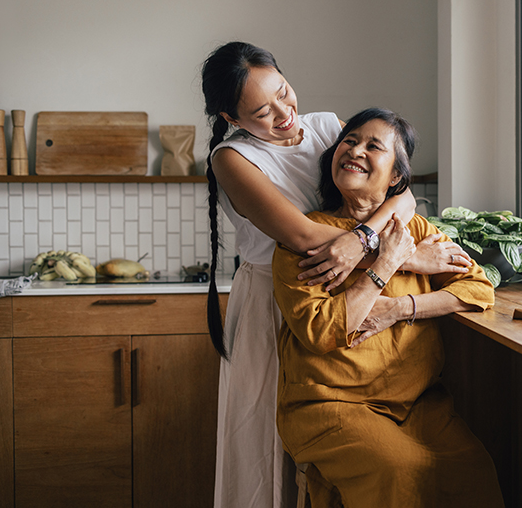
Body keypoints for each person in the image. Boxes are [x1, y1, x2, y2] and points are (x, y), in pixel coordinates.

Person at [201, 42, 473, 508]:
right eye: (262, 112)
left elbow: (400, 191)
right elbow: (306, 238)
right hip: (277, 301)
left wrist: (362, 239)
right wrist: (402, 258)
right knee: (266, 450)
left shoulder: (328, 126)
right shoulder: (231, 158)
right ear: (231, 118)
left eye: (284, 93)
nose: (285, 114)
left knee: (355, 461)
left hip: (349, 291)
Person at [272, 108, 505, 508]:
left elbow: (478, 288)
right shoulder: (304, 237)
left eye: (373, 145)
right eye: (350, 140)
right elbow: (320, 330)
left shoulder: (415, 230)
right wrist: (384, 265)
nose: (355, 150)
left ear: (395, 176)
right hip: (328, 404)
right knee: (399, 470)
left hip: (417, 404)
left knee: (474, 468)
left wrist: (400, 308)